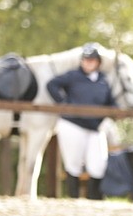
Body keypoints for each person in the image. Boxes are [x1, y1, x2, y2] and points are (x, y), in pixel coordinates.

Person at [46, 43, 115, 199]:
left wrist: (111, 114)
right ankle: (74, 199)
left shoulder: (104, 80)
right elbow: (52, 85)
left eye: (91, 60)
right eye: (85, 59)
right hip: (73, 124)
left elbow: (111, 102)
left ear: (98, 62)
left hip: (95, 127)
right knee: (73, 164)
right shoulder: (73, 76)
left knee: (98, 164)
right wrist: (63, 103)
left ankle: (94, 199)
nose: (88, 63)